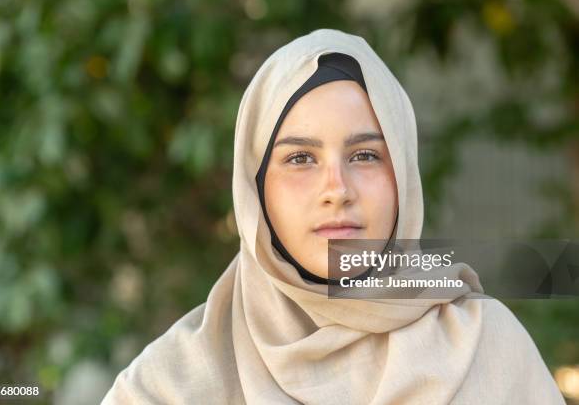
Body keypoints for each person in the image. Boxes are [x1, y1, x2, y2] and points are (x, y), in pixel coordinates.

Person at [101, 29, 564, 404]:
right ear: (255, 189)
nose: (337, 191)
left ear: (402, 174)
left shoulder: (488, 349)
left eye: (364, 156)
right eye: (300, 159)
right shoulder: (167, 386)